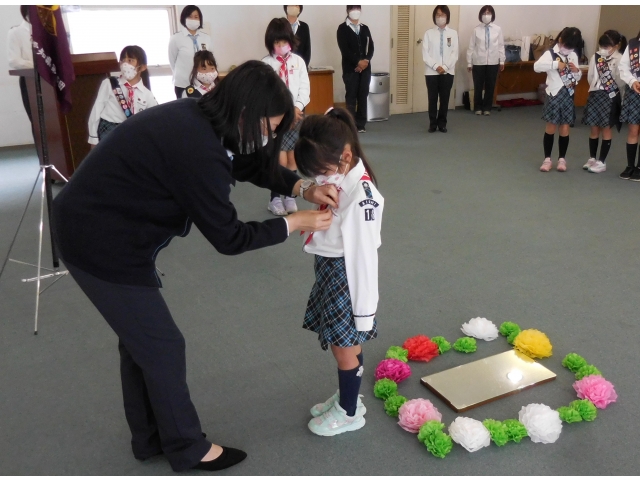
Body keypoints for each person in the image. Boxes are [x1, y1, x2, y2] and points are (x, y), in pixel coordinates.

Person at [52, 61, 337, 472]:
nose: (267, 137)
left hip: (102, 226)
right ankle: (187, 448)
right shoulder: (196, 146)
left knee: (142, 344)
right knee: (162, 346)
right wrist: (295, 222)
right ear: (245, 110)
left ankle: (150, 439)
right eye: (266, 127)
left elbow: (249, 163)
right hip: (98, 241)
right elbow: (230, 237)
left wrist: (304, 186)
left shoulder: (202, 118)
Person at [295, 107, 384, 436]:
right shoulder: (341, 178)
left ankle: (349, 412)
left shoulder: (362, 198)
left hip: (347, 278)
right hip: (332, 268)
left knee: (344, 345)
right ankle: (350, 397)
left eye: (322, 172)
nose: (319, 180)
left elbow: (363, 257)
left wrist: (363, 313)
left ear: (345, 156)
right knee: (340, 344)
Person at [262, 18, 310, 216]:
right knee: (279, 160)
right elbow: (264, 93)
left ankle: (290, 195)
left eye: (284, 42)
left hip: (296, 116)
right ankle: (275, 198)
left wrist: (297, 108)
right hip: (276, 119)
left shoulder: (298, 62)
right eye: (276, 43)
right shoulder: (266, 64)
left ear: (291, 40)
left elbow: (304, 89)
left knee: (293, 159)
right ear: (270, 43)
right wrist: (281, 113)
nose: (281, 46)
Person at [534, 27, 583, 172]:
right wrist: (556, 64)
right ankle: (547, 159)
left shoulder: (573, 55)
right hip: (554, 94)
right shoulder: (550, 53)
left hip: (568, 94)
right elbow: (537, 67)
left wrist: (577, 71)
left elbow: (578, 77)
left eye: (571, 47)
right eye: (566, 45)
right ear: (560, 40)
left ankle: (562, 159)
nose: (568, 49)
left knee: (565, 127)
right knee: (551, 126)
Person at [87, 46, 157, 146]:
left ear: (142, 67)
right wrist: (94, 140)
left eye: (130, 60)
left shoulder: (147, 94)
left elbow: (154, 119)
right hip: (108, 132)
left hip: (131, 136)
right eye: (123, 60)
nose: (125, 64)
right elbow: (96, 112)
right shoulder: (110, 83)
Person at [581, 31, 624, 174]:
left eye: (608, 46)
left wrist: (608, 88)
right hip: (595, 94)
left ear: (616, 46)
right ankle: (592, 157)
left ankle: (602, 161)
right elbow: (591, 77)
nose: (604, 48)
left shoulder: (620, 59)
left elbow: (620, 81)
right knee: (593, 128)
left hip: (610, 96)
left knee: (606, 128)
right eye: (603, 45)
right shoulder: (596, 56)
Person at [337, 5, 374, 133]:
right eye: (352, 9)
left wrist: (366, 61)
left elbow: (371, 47)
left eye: (358, 9)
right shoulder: (342, 29)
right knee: (351, 96)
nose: (355, 11)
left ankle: (361, 124)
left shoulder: (365, 28)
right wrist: (357, 62)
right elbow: (344, 49)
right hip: (350, 69)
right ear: (347, 11)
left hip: (366, 69)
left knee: (363, 95)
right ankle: (350, 124)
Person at [422, 5, 458, 133]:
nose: (440, 17)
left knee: (444, 98)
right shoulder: (428, 33)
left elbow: (455, 53)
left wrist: (445, 67)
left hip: (448, 72)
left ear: (447, 16)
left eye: (442, 15)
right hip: (432, 72)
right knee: (432, 98)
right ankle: (432, 123)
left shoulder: (453, 33)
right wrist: (436, 66)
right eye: (437, 15)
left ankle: (442, 123)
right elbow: (425, 54)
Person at [466, 5, 505, 116]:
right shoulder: (476, 30)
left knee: (490, 85)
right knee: (478, 85)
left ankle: (487, 107)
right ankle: (478, 107)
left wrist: (502, 60)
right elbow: (471, 47)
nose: (486, 15)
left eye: (488, 13)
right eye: (484, 13)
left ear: (492, 15)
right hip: (478, 61)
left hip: (493, 61)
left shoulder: (497, 29)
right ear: (480, 15)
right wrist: (469, 62)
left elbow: (501, 46)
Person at [169, 5, 213, 99]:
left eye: (196, 17)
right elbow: (172, 61)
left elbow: (210, 59)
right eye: (189, 16)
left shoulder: (206, 38)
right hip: (183, 83)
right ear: (184, 18)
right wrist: (183, 74)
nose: (193, 19)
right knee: (185, 111)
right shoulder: (176, 38)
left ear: (200, 19)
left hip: (202, 83)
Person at [618, 29, 640, 181]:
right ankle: (630, 165)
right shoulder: (633, 45)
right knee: (633, 129)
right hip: (635, 91)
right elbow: (623, 67)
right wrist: (633, 81)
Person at [6, 6, 33, 124]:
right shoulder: (15, 32)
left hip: (50, 79)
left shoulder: (48, 33)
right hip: (29, 80)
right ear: (27, 13)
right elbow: (14, 61)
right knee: (36, 120)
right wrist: (38, 65)